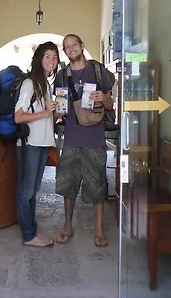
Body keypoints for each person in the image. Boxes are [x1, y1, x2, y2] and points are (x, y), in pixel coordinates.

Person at [54, 34, 113, 247]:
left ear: (81, 46)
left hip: (95, 138)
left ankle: (99, 229)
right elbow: (59, 109)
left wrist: (104, 98)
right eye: (67, 47)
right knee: (67, 185)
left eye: (74, 45)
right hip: (71, 138)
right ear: (65, 51)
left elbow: (111, 104)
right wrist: (55, 112)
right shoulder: (62, 75)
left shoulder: (97, 70)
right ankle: (67, 226)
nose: (71, 49)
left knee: (98, 185)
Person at [14, 41, 59, 248]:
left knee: (33, 190)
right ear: (39, 59)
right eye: (47, 56)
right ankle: (29, 235)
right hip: (30, 143)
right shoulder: (29, 83)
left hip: (41, 143)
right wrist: (46, 112)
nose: (52, 60)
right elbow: (18, 117)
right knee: (26, 191)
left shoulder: (45, 84)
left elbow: (45, 115)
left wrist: (56, 113)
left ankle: (31, 230)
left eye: (55, 57)